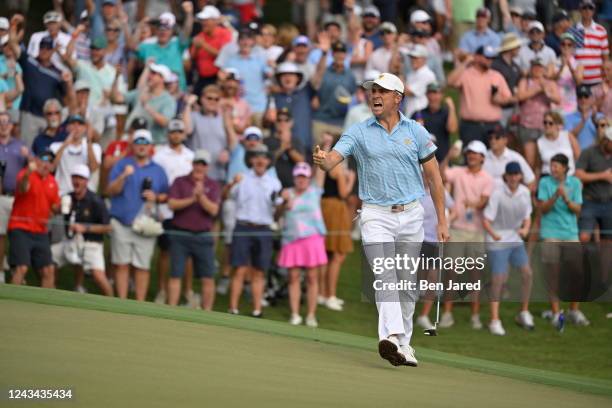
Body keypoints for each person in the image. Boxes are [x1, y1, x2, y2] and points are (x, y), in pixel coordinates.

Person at [313, 72, 449, 367]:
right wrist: (324, 161)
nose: (374, 95)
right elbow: (334, 159)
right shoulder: (359, 131)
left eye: (382, 91)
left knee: (407, 284)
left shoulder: (416, 132)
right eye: (372, 90)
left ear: (397, 98)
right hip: (375, 213)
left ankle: (404, 344)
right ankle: (391, 337)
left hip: (412, 214)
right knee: (385, 275)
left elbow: (435, 180)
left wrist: (442, 221)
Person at [105, 129, 169, 301]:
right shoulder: (122, 165)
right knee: (121, 264)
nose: (141, 146)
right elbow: (110, 190)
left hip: (146, 225)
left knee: (142, 266)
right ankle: (122, 302)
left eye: (145, 143)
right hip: (121, 222)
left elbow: (166, 196)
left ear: (150, 147)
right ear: (133, 145)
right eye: (138, 143)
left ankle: (139, 304)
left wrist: (155, 197)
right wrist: (124, 176)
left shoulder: (158, 170)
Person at [440, 140, 494, 330]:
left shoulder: (488, 178)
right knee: (451, 273)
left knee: (475, 276)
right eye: (469, 153)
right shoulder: (459, 171)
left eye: (476, 153)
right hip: (456, 229)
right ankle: (447, 313)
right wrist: (448, 157)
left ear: (482, 158)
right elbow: (440, 175)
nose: (472, 156)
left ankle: (475, 316)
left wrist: (475, 204)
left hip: (476, 232)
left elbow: (484, 202)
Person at [228, 144, 282, 317]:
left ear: (268, 161)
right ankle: (233, 309)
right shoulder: (241, 178)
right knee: (240, 269)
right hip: (243, 226)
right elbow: (226, 197)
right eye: (256, 156)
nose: (260, 160)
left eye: (264, 157)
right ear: (251, 160)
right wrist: (230, 184)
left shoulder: (274, 183)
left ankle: (257, 310)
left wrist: (285, 203)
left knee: (259, 271)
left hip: (264, 229)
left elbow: (278, 211)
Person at [537, 153, 590, 327]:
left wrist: (566, 198)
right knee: (553, 274)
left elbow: (577, 210)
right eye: (552, 166)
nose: (553, 169)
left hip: (570, 233)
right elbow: (542, 209)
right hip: (550, 232)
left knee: (577, 273)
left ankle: (574, 310)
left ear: (565, 168)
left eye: (556, 166)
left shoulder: (575, 184)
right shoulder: (544, 183)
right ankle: (555, 312)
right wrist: (555, 196)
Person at [482, 162, 534, 336]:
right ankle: (494, 320)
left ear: (520, 176)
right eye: (510, 174)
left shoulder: (525, 193)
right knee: (499, 279)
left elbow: (527, 217)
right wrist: (494, 234)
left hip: (515, 239)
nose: (513, 177)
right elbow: (486, 220)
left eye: (516, 174)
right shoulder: (497, 193)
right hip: (497, 240)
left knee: (527, 273)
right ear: (506, 176)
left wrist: (526, 229)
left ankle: (523, 312)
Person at [167, 149, 221, 310]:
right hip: (180, 234)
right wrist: (192, 198)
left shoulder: (212, 185)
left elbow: (213, 210)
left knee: (208, 277)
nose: (200, 167)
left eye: (203, 164)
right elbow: (172, 204)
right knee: (176, 274)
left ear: (208, 167)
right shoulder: (180, 181)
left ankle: (207, 314)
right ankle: (171, 310)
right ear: (192, 164)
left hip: (203, 236)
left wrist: (201, 196)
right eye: (197, 163)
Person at [277, 162, 327, 327]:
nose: (301, 180)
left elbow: (321, 172)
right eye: (298, 176)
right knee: (293, 277)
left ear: (308, 178)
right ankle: (295, 314)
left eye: (304, 177)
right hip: (292, 240)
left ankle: (311, 315)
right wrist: (284, 204)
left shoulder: (315, 191)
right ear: (294, 178)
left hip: (312, 239)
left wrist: (325, 148)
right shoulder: (287, 194)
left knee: (312, 277)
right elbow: (276, 215)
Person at [51, 164, 113, 296]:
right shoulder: (68, 197)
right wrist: (57, 208)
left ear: (86, 181)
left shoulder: (96, 200)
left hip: (91, 244)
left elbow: (107, 227)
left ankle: (115, 304)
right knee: (48, 260)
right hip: (70, 242)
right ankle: (51, 294)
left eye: (80, 178)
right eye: (74, 178)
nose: (76, 181)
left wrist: (85, 228)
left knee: (98, 275)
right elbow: (55, 212)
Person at [151, 118, 194, 304]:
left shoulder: (191, 156)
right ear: (168, 133)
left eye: (179, 132)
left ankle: (188, 292)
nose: (176, 135)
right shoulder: (159, 155)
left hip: (187, 211)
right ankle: (162, 290)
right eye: (172, 132)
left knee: (188, 254)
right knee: (165, 252)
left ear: (183, 134)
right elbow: (156, 182)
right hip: (165, 209)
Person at [7, 150, 59, 288]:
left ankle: (47, 307)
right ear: (36, 161)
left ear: (53, 166)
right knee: (21, 268)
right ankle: (10, 302)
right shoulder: (25, 174)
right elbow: (23, 188)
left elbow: (54, 206)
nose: (46, 165)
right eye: (43, 160)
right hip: (20, 228)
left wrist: (62, 207)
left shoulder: (52, 182)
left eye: (49, 162)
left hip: (40, 231)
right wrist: (28, 173)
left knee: (48, 270)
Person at [318, 132, 355, 311]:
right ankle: (329, 295)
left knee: (326, 254)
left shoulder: (326, 161)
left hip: (324, 207)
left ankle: (321, 293)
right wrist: (350, 181)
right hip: (335, 208)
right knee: (337, 254)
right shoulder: (338, 166)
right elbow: (343, 193)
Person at [447, 46, 513, 146]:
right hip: (471, 126)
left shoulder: (496, 75)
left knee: (492, 158)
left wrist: (498, 99)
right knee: (471, 157)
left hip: (493, 125)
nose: (490, 61)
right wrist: (466, 62)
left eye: (492, 58)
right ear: (477, 57)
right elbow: (450, 82)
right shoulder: (466, 73)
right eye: (487, 58)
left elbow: (508, 98)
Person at [134, 7, 193, 91]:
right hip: (153, 93)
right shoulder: (147, 46)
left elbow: (187, 31)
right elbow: (131, 47)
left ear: (172, 31)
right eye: (160, 28)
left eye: (167, 29)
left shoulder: (177, 43)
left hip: (176, 92)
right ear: (156, 30)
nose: (163, 32)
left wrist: (189, 14)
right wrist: (139, 27)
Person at [516, 58, 561, 169]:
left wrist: (546, 91)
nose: (536, 69)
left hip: (545, 125)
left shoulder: (550, 83)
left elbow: (557, 99)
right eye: (534, 66)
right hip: (527, 124)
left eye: (539, 67)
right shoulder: (524, 81)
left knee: (542, 159)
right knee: (529, 160)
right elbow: (520, 96)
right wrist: (537, 90)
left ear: (544, 69)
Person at [311, 39, 357, 145]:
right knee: (318, 159)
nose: (339, 55)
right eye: (337, 52)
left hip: (341, 123)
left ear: (346, 55)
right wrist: (323, 53)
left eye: (342, 52)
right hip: (321, 120)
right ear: (332, 54)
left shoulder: (350, 75)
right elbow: (315, 81)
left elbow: (354, 98)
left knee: (339, 160)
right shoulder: (324, 71)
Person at [184, 85, 232, 185]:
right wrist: (188, 105)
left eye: (216, 99)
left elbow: (232, 141)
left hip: (218, 173)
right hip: (196, 174)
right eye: (209, 98)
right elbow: (187, 130)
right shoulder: (194, 116)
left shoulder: (223, 119)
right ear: (202, 99)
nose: (212, 101)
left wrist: (227, 151)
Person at [0, 111, 28, 281]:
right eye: (0, 122)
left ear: (11, 125)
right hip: (1, 197)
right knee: (0, 235)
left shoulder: (20, 145)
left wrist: (28, 156)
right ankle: (0, 273)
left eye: (6, 122)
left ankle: (18, 271)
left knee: (18, 236)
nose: (3, 125)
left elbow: (34, 166)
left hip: (19, 198)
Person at [575, 127, 612, 244]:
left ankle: (604, 263)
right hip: (590, 202)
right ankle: (580, 262)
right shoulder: (588, 152)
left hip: (609, 202)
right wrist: (602, 176)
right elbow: (579, 174)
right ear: (606, 141)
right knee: (584, 237)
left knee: (608, 240)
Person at [50, 114, 101, 195]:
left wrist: (89, 141)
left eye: (80, 124)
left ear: (85, 128)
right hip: (63, 193)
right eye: (73, 124)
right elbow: (51, 167)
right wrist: (65, 144)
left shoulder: (95, 147)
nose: (76, 127)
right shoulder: (56, 146)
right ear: (67, 128)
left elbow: (93, 168)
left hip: (85, 195)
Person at [265, 62, 313, 149]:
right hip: (279, 148)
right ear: (278, 79)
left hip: (304, 146)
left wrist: (323, 54)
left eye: (291, 74)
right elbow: (266, 124)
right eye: (284, 75)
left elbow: (318, 78)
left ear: (298, 78)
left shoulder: (306, 93)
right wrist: (267, 119)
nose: (288, 78)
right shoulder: (273, 97)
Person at [191, 5, 232, 95]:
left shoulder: (225, 34)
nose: (203, 23)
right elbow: (193, 57)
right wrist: (197, 48)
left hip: (218, 78)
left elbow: (224, 55)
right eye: (202, 20)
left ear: (215, 21)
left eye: (206, 20)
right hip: (202, 78)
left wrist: (204, 45)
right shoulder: (200, 36)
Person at [412, 82, 458, 162]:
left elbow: (452, 129)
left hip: (442, 159)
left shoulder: (446, 113)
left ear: (441, 95)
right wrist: (417, 128)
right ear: (427, 95)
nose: (434, 96)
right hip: (423, 159)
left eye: (437, 93)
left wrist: (451, 108)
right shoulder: (418, 114)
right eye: (431, 93)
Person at [263, 108, 305, 188]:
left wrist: (288, 147)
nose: (282, 123)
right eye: (279, 120)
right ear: (275, 122)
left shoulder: (296, 141)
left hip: (292, 187)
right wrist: (282, 148)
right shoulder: (267, 141)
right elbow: (266, 162)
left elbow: (301, 162)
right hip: (271, 185)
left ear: (291, 122)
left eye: (286, 120)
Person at [572, 0, 609, 88]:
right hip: (578, 80)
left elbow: (605, 58)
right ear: (580, 10)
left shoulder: (601, 30)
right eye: (584, 7)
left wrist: (606, 78)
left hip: (597, 80)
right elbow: (571, 56)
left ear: (594, 10)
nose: (587, 10)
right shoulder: (573, 30)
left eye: (590, 8)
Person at [491, 33, 522, 126]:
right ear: (511, 48)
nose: (519, 49)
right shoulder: (496, 65)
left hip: (512, 107)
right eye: (517, 47)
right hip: (499, 108)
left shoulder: (515, 66)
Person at [537, 111, 580, 178]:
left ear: (558, 125)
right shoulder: (539, 142)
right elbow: (538, 166)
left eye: (550, 123)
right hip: (547, 179)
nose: (547, 125)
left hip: (569, 177)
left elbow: (578, 157)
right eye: (545, 122)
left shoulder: (568, 136)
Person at [553, 33, 583, 115]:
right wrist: (562, 67)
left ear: (573, 47)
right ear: (560, 46)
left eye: (569, 45)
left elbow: (578, 82)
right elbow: (552, 81)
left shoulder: (578, 64)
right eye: (563, 44)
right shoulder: (553, 62)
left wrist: (570, 66)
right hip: (555, 104)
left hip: (571, 105)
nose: (566, 47)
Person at [403, 44, 436, 119]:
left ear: (424, 59)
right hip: (410, 114)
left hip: (420, 116)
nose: (413, 60)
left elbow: (409, 92)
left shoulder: (427, 74)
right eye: (412, 57)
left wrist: (397, 78)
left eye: (416, 58)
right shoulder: (411, 73)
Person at [565, 85, 598, 149]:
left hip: (595, 156)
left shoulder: (599, 116)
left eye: (586, 96)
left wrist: (595, 121)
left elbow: (605, 136)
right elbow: (568, 138)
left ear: (591, 99)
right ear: (577, 99)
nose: (583, 100)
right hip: (578, 156)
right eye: (580, 97)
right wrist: (583, 121)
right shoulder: (568, 117)